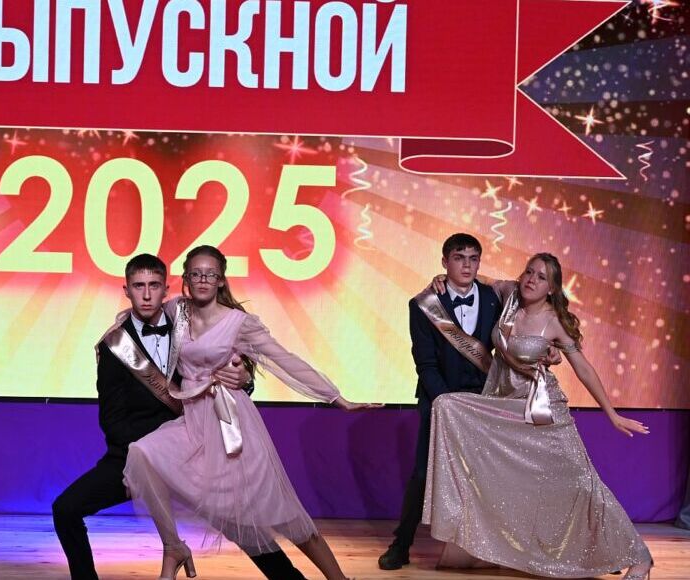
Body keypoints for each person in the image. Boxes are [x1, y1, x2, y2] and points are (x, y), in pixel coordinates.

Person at [122, 245, 377, 580]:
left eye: (210, 274)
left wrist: (335, 397)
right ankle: (173, 547)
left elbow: (284, 359)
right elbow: (136, 319)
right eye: (196, 273)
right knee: (141, 452)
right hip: (193, 423)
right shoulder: (175, 311)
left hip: (231, 424)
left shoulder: (238, 323)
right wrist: (112, 337)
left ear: (220, 280)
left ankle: (338, 579)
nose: (203, 279)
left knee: (284, 514)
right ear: (185, 278)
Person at [52, 253, 308, 580]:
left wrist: (244, 377)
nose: (147, 294)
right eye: (139, 286)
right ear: (126, 291)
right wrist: (156, 453)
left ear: (167, 289)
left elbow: (228, 373)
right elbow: (112, 422)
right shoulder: (115, 346)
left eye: (154, 285)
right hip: (136, 454)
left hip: (197, 449)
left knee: (243, 525)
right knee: (65, 509)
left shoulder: (188, 324)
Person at [422, 252, 653, 579]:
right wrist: (443, 279)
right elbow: (475, 279)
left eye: (541, 277)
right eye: (529, 272)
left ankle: (639, 557)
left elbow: (584, 368)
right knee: (447, 406)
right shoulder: (509, 295)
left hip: (542, 413)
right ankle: (496, 548)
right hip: (505, 407)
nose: (531, 280)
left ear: (552, 288)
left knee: (583, 485)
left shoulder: (554, 321)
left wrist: (612, 414)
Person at [379, 233, 510, 570]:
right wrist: (446, 402)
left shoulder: (493, 298)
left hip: (482, 400)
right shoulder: (423, 304)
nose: (466, 265)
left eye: (473, 259)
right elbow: (425, 364)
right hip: (439, 398)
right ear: (444, 262)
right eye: (459, 258)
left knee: (487, 474)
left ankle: (496, 549)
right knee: (424, 472)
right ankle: (401, 545)